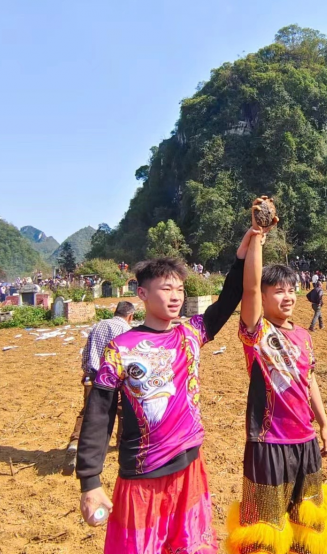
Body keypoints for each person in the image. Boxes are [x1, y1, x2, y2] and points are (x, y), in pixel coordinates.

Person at [76, 223, 261, 554]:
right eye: (166, 289)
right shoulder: (120, 348)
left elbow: (229, 299)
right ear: (143, 294)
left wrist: (242, 255)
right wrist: (89, 482)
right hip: (142, 476)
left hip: (189, 468)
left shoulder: (191, 333)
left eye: (180, 289)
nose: (176, 296)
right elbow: (99, 414)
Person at [227, 231, 327, 554]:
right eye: (277, 291)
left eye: (291, 291)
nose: (287, 297)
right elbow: (248, 288)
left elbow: (310, 380)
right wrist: (258, 238)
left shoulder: (303, 335)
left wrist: (324, 423)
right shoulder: (258, 333)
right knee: (265, 527)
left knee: (306, 523)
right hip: (268, 442)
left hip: (305, 441)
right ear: (263, 295)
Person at [63, 301, 136, 475]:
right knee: (123, 411)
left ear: (115, 312)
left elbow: (87, 352)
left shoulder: (98, 326)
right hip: (116, 379)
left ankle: (75, 442)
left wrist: (87, 373)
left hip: (94, 376)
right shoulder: (127, 331)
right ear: (130, 316)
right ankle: (120, 444)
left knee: (87, 412)